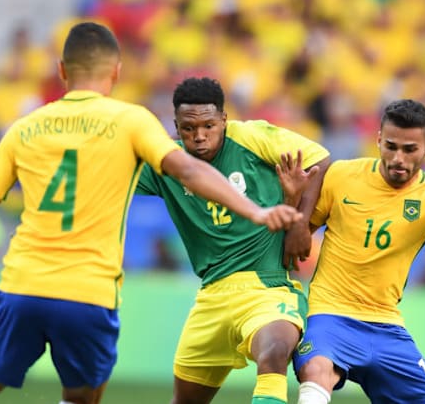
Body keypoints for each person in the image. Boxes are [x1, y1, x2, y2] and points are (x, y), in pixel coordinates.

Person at [0, 22, 302, 404]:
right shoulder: (131, 121)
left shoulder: (24, 129)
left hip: (20, 285)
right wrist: (256, 212)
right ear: (116, 71)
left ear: (62, 69)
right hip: (88, 293)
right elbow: (189, 169)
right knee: (80, 397)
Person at [281, 99, 425, 404]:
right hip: (330, 316)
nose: (398, 158)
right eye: (391, 146)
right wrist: (291, 205)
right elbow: (295, 239)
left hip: (387, 327)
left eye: (410, 149)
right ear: (378, 140)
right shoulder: (341, 176)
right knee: (317, 371)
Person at [135, 77, 331, 404]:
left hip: (267, 287)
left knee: (274, 352)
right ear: (176, 126)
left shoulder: (252, 137)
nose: (199, 136)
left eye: (209, 125)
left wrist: (300, 224)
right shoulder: (168, 162)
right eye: (188, 128)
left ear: (224, 119)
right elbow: (112, 181)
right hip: (211, 294)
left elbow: (320, 160)